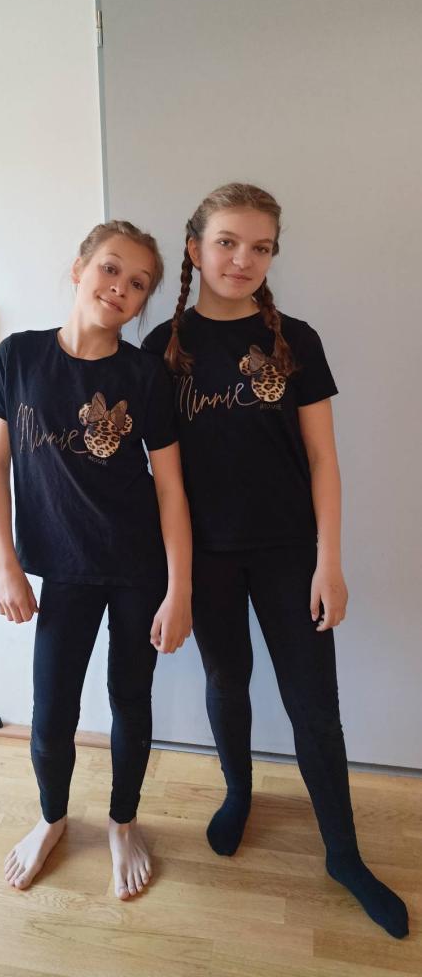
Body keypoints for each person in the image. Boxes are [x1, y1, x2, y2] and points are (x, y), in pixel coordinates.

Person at [142, 182, 408, 938]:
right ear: (195, 249)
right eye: (227, 242)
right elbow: (162, 481)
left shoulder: (296, 339)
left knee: (314, 704)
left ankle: (343, 853)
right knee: (227, 681)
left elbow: (323, 460)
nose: (243, 259)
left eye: (260, 247)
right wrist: (177, 583)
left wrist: (331, 561)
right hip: (208, 558)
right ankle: (239, 793)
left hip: (292, 553)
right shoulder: (162, 350)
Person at [0, 220, 192, 900]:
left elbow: (171, 488)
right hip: (62, 570)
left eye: (139, 283)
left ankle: (124, 822)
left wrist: (179, 589)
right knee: (52, 709)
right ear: (79, 269)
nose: (121, 287)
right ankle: (52, 818)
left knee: (130, 698)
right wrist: (6, 565)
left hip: (138, 570)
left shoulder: (144, 374)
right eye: (111, 268)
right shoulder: (18, 356)